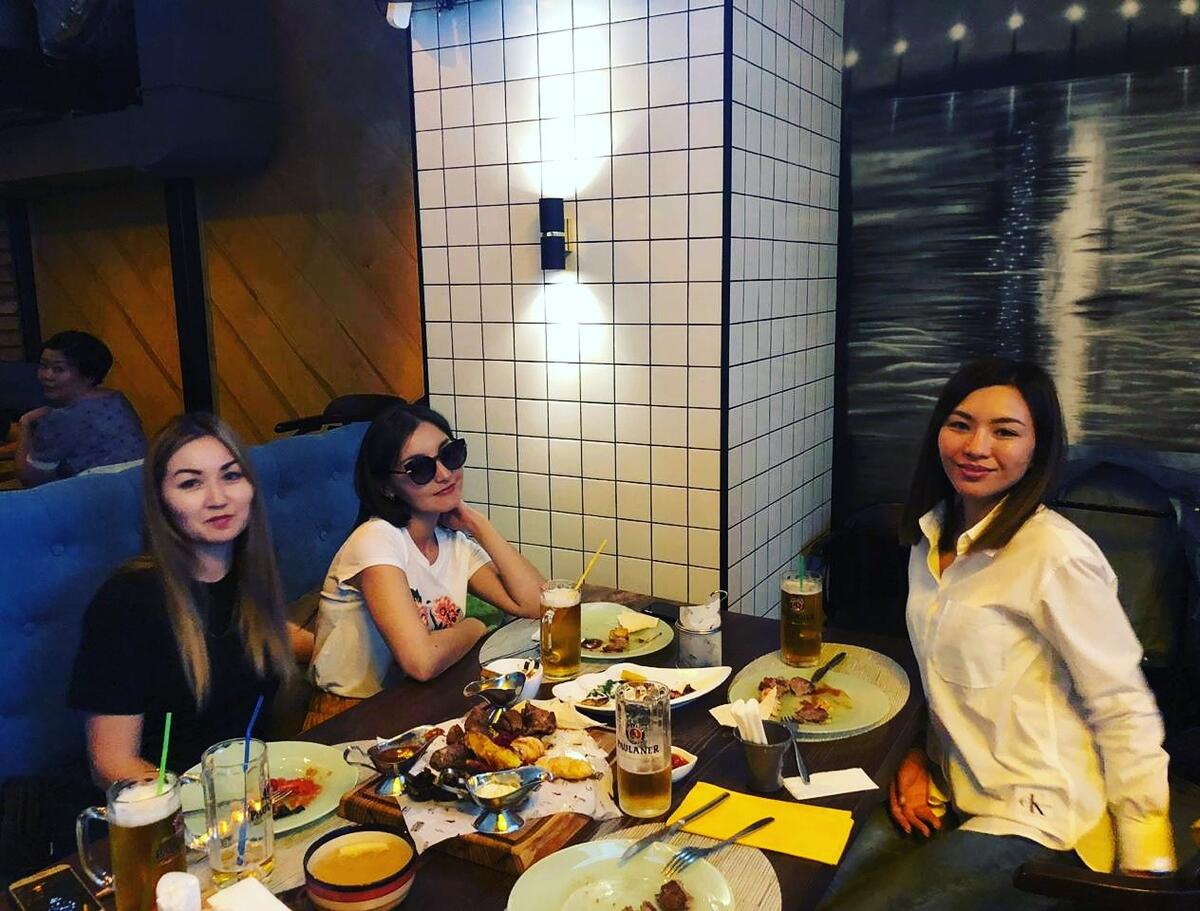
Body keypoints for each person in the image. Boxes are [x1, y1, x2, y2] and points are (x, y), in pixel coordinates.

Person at [820, 358, 1175, 911]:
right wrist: (917, 756)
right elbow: (948, 678)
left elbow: (1122, 704)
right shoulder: (931, 534)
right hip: (955, 789)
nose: (975, 447)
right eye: (960, 425)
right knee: (808, 873)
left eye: (1005, 432)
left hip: (1044, 818)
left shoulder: (1055, 554)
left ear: (1038, 448)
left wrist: (1147, 860)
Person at [67, 413, 313, 787]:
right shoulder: (127, 601)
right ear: (162, 502)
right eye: (191, 483)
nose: (218, 498)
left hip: (253, 794)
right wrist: (207, 802)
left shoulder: (246, 576)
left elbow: (268, 637)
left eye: (231, 476)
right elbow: (111, 765)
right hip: (168, 808)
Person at [306, 402, 544, 725]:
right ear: (386, 486)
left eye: (450, 454)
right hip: (349, 716)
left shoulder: (450, 541)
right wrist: (476, 626)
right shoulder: (377, 540)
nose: (444, 474)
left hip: (416, 702)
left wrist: (477, 523)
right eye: (419, 468)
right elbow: (421, 661)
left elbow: (537, 604)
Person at [15, 330, 146, 486]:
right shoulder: (116, 398)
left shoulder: (62, 417)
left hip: (100, 493)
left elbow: (30, 478)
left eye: (59, 369)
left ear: (89, 375)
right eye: (43, 366)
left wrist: (25, 423)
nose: (47, 376)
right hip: (142, 485)